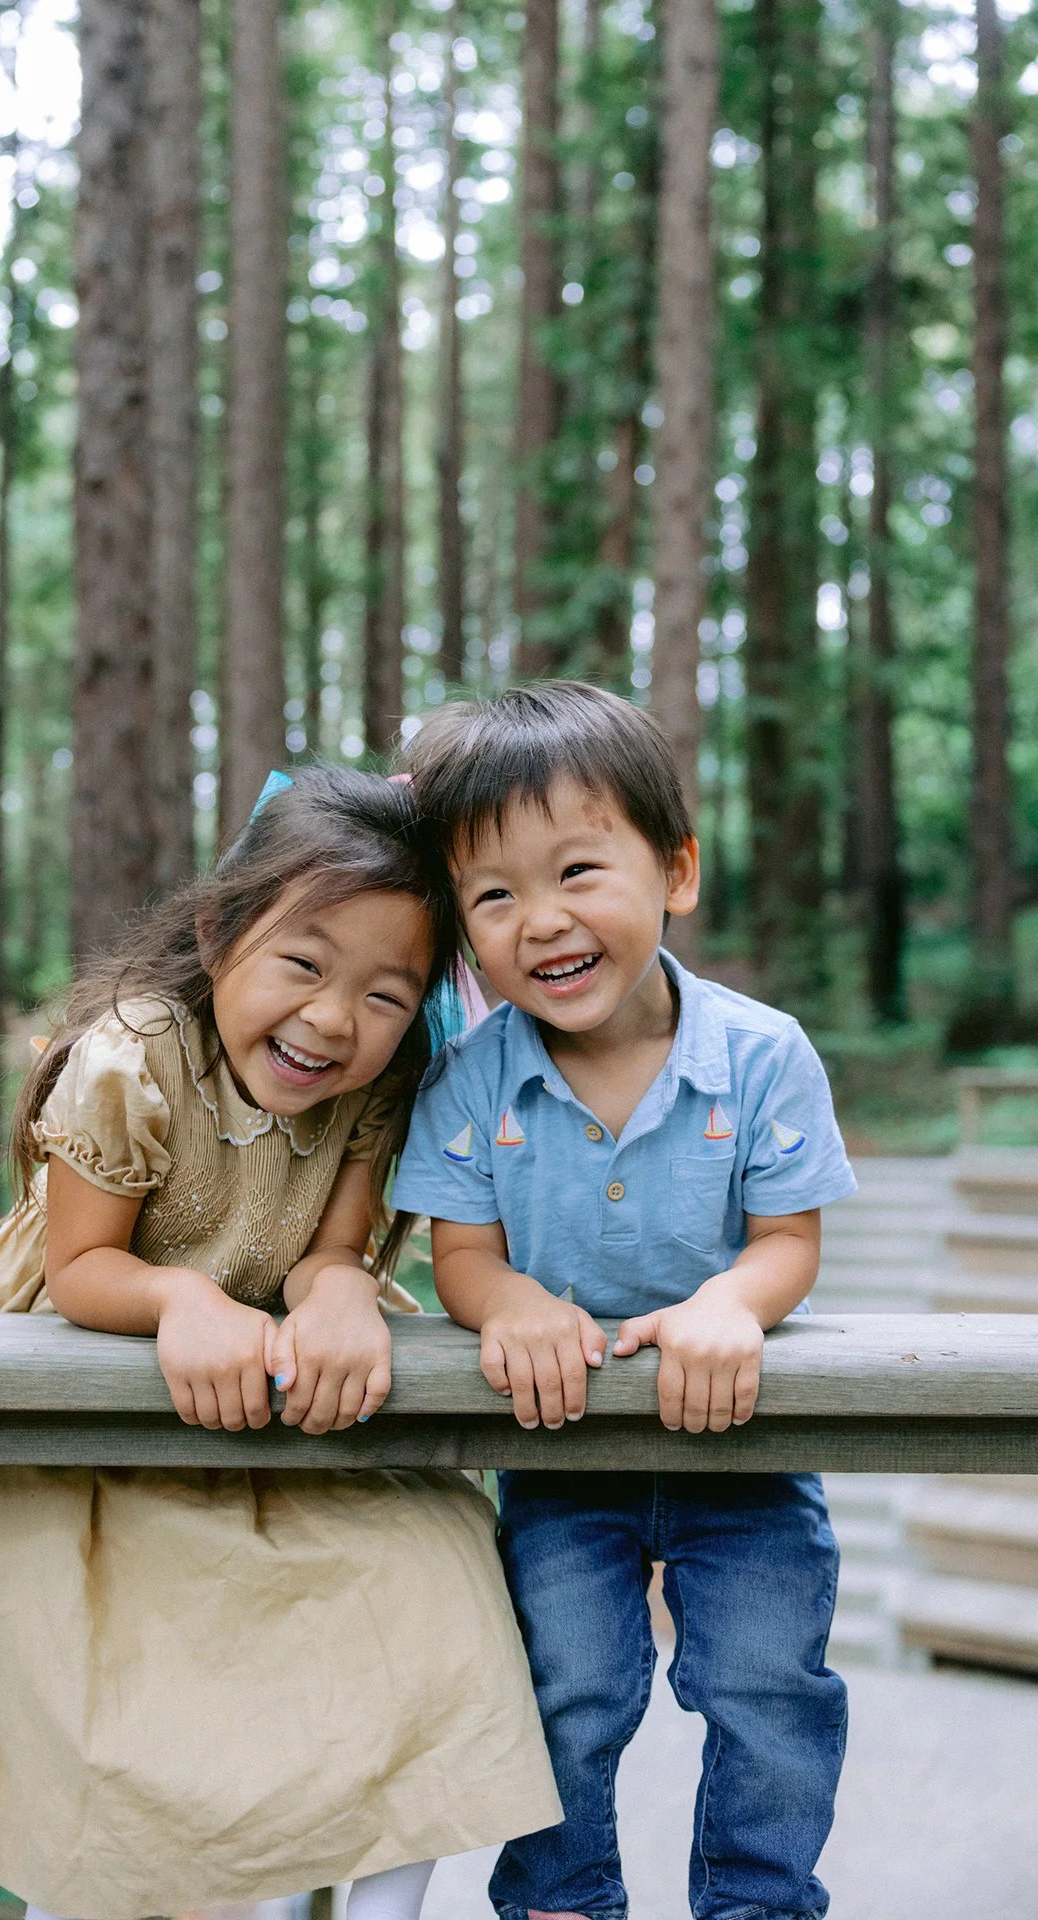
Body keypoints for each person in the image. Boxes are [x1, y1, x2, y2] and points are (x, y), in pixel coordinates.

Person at [0, 766, 560, 1920]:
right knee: (135, 1705)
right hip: (102, 1406)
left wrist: (338, 1290)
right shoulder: (131, 1056)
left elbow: (330, 1253)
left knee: (439, 1587)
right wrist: (184, 1304)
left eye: (387, 994)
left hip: (270, 1400)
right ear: (218, 927)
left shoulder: (377, 1088)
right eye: (301, 962)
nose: (334, 1018)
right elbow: (86, 1269)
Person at [393, 684, 856, 1920]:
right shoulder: (469, 1079)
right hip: (558, 1446)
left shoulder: (760, 1054)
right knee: (564, 1684)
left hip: (745, 1447)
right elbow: (460, 1256)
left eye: (578, 871)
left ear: (674, 871)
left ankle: (758, 1901)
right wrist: (508, 1305)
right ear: (460, 930)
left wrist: (733, 1304)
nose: (540, 920)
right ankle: (557, 1900)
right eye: (493, 895)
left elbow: (786, 1241)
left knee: (769, 1687)